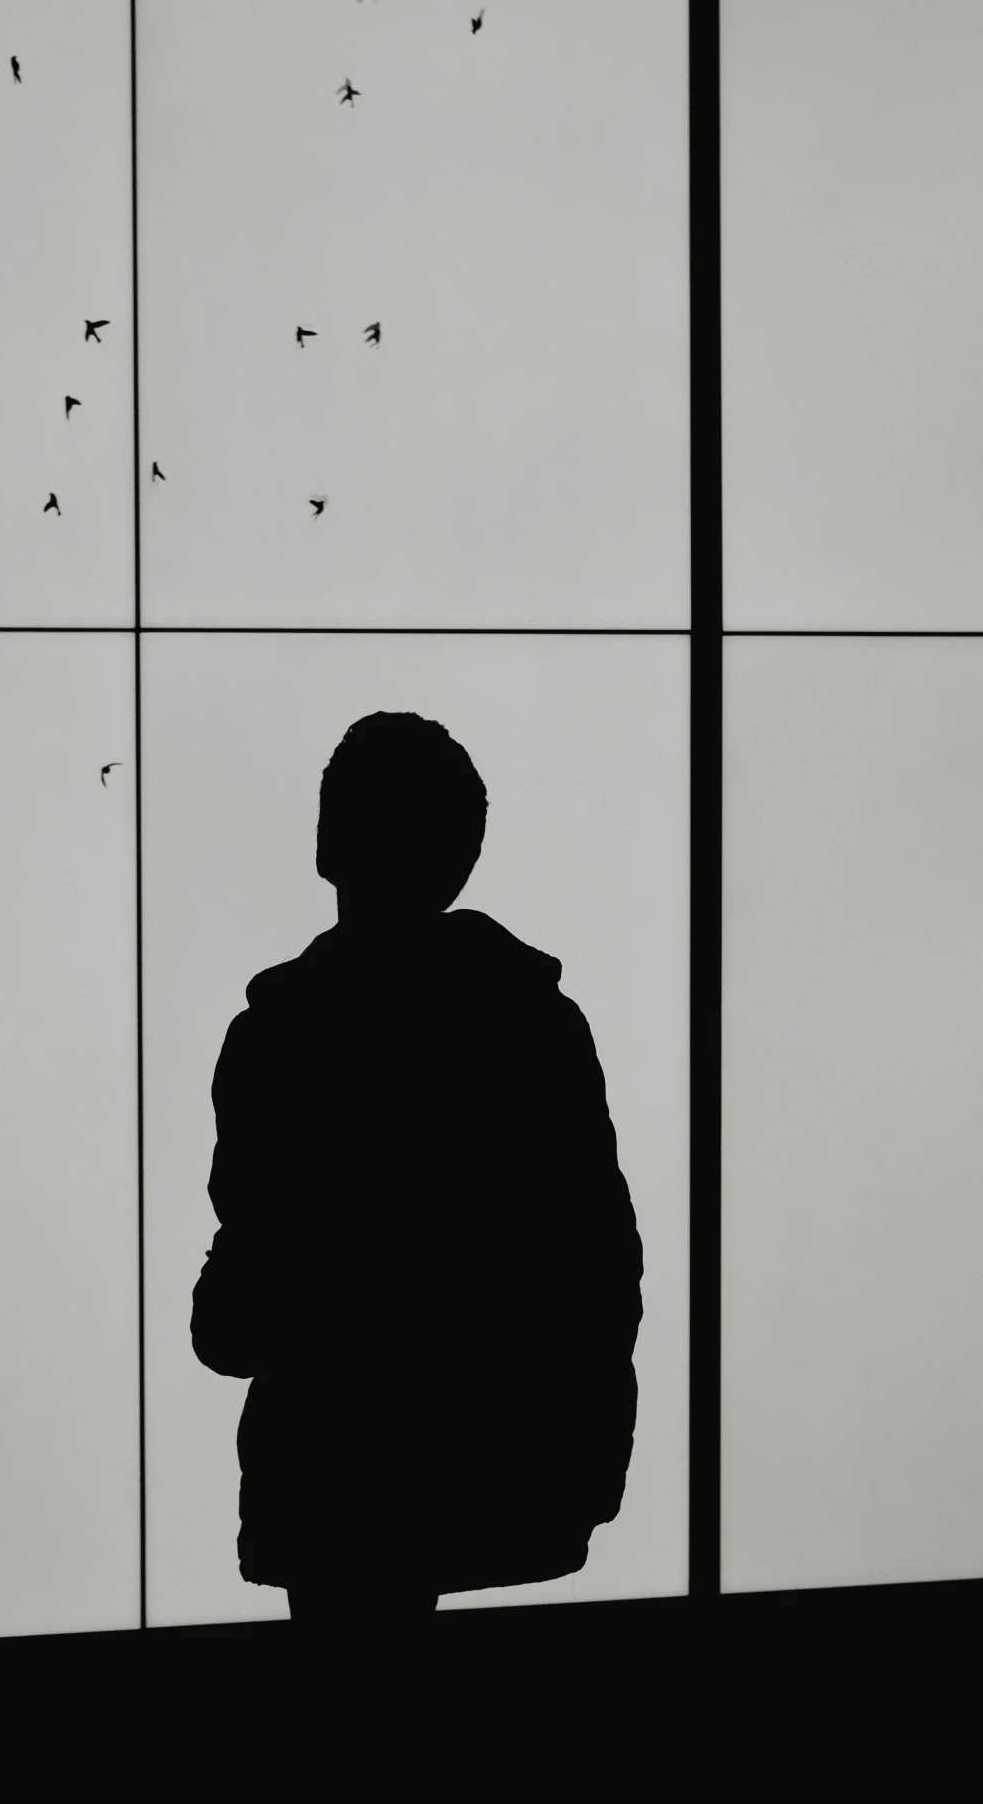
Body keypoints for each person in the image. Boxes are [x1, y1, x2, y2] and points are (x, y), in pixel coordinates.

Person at [190, 710, 645, 1673]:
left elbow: (240, 1295)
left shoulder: (280, 1039)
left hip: (339, 1477)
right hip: (501, 1476)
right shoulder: (531, 1027)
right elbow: (599, 1262)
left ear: (326, 844)